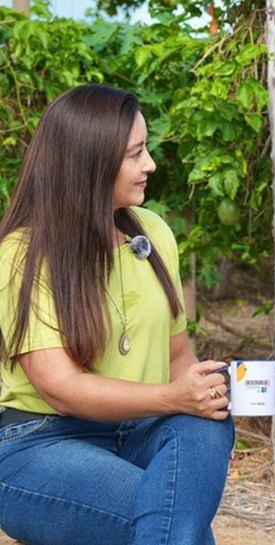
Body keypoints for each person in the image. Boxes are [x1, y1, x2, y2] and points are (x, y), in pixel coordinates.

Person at [0, 85, 235, 545]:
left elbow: (177, 356)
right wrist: (174, 397)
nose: (150, 164)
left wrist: (204, 391)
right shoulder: (21, 256)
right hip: (42, 443)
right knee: (173, 525)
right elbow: (61, 389)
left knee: (209, 421)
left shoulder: (152, 232)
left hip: (141, 432)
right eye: (136, 153)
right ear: (91, 162)